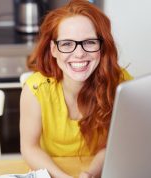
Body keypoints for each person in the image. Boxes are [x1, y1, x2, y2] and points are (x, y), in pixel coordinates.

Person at [19, 0, 133, 178]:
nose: (79, 53)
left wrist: (89, 173)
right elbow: (29, 148)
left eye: (89, 42)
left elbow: (115, 144)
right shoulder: (35, 89)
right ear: (53, 50)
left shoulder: (122, 85)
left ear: (102, 46)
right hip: (53, 171)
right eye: (66, 44)